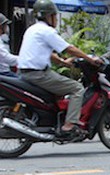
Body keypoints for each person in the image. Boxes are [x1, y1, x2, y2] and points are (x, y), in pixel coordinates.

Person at [18, 0, 101, 137]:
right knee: (76, 88)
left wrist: (64, 63)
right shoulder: (47, 31)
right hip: (38, 74)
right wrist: (90, 59)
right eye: (55, 16)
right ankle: (69, 125)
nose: (56, 19)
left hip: (26, 73)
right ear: (49, 16)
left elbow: (47, 53)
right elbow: (69, 48)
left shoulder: (32, 29)